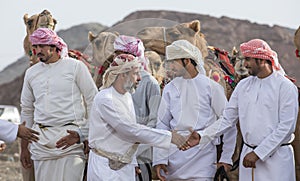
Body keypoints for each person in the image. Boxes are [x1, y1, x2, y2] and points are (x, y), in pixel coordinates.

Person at [185, 39, 299, 181]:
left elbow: (286, 127)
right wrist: (203, 135)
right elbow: (227, 119)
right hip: (248, 156)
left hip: (276, 160)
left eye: (248, 59)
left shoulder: (286, 87)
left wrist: (259, 153)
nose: (244, 64)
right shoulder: (243, 86)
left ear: (261, 59)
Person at [87, 53, 189, 181]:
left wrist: (132, 161)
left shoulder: (127, 96)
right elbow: (130, 130)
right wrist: (169, 137)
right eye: (136, 73)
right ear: (123, 74)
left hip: (126, 168)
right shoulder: (105, 99)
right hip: (104, 168)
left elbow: (130, 137)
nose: (140, 78)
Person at [20, 28, 98, 181]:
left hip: (71, 140)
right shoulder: (31, 73)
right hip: (40, 144)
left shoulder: (75, 67)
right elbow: (27, 110)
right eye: (35, 47)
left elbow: (93, 101)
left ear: (54, 47)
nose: (37, 50)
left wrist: (86, 135)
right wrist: (24, 148)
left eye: (42, 46)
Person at [153, 40, 237, 180]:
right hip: (173, 161)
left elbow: (228, 122)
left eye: (174, 62)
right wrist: (160, 160)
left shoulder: (211, 87)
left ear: (187, 61)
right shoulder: (169, 88)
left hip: (202, 161)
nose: (170, 67)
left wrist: (226, 158)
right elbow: (162, 125)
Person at [114, 35, 161, 179]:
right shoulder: (113, 81)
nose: (117, 59)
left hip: (141, 156)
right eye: (116, 55)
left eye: (121, 55)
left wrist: (133, 152)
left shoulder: (150, 83)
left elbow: (154, 123)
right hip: (113, 155)